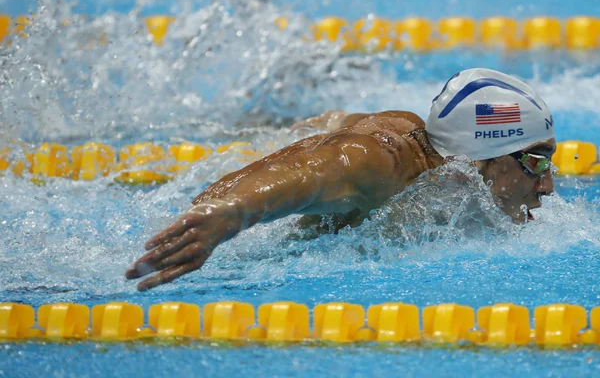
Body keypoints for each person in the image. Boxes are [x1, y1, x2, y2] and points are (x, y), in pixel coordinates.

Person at [125, 68, 556, 291]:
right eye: (536, 162)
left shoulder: (427, 155)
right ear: (480, 156)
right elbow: (306, 174)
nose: (547, 185)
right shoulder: (379, 165)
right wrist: (229, 213)